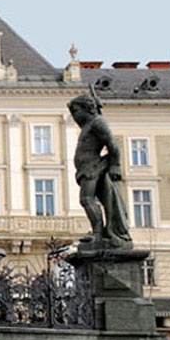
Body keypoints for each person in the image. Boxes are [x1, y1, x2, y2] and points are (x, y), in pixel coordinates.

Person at [68, 87, 132, 250]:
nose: (74, 116)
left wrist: (115, 166)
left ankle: (98, 234)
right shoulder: (90, 124)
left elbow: (113, 144)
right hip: (86, 169)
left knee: (86, 199)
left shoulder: (97, 122)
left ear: (87, 108)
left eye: (75, 111)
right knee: (95, 200)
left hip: (93, 167)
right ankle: (100, 232)